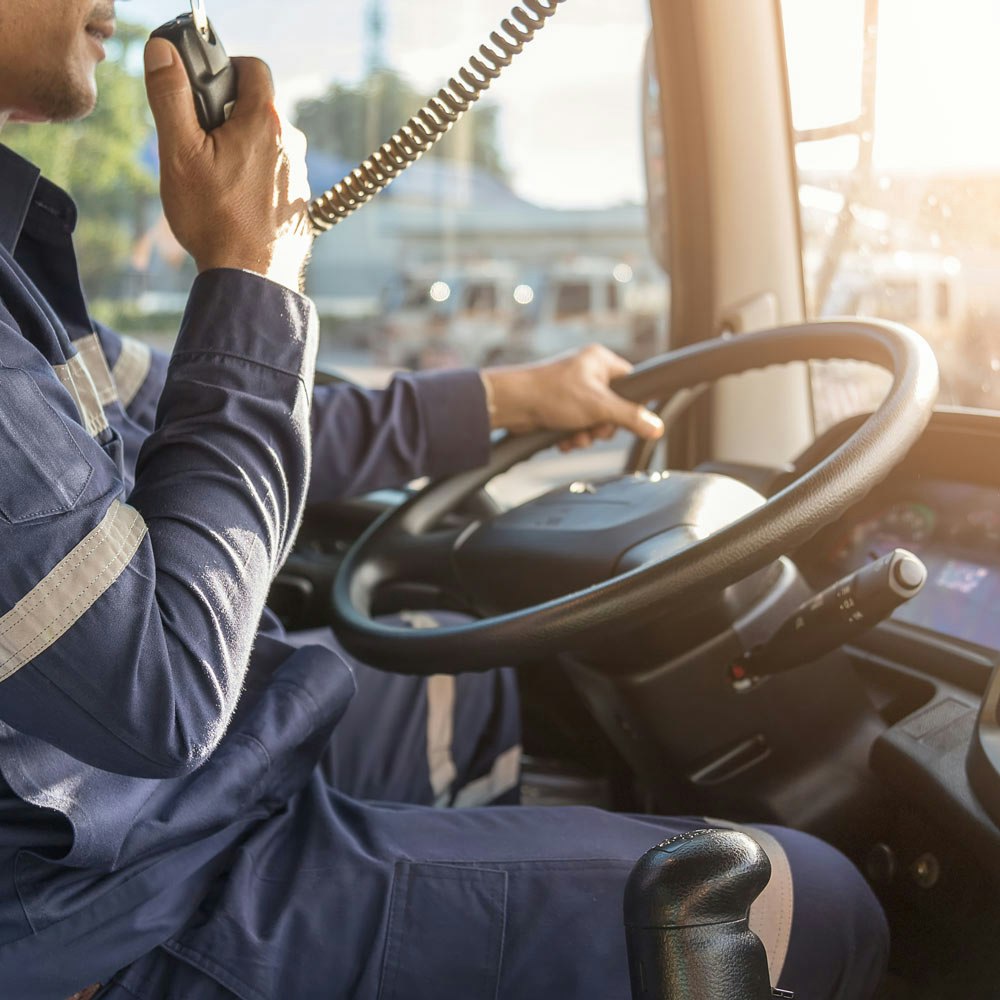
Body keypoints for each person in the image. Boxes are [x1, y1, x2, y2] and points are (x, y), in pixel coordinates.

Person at [0, 3, 889, 998]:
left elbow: (206, 414)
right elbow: (158, 693)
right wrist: (250, 272)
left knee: (473, 686)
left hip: (148, 802)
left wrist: (507, 397)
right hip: (100, 913)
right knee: (804, 903)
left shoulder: (15, 272)